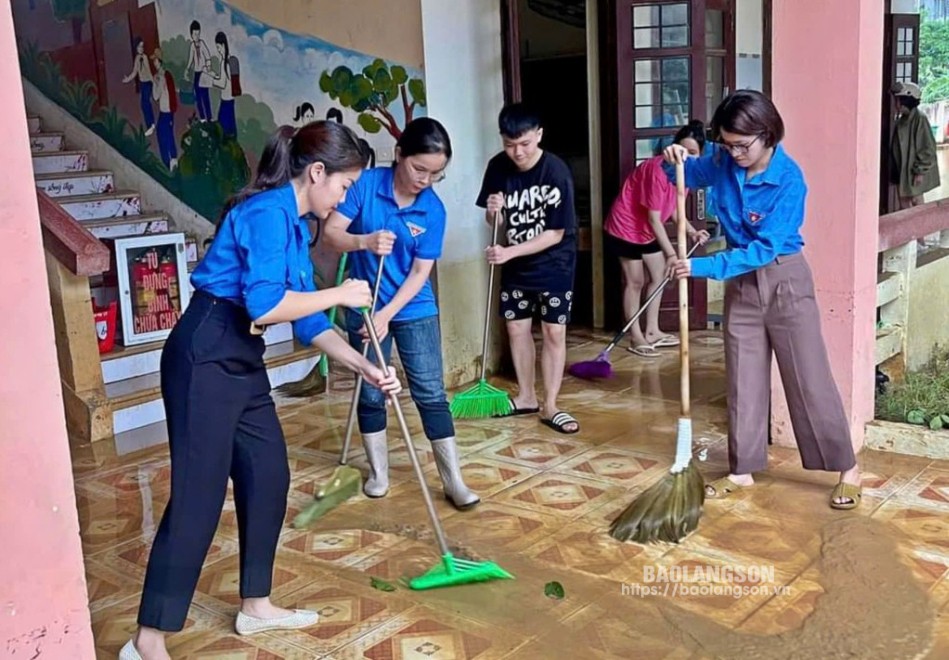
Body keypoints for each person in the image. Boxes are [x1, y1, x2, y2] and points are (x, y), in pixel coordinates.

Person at [121, 121, 401, 660]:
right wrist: (340, 292)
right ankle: (147, 639)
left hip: (241, 361)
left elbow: (303, 321)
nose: (345, 197)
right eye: (344, 186)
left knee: (268, 473)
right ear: (316, 173)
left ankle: (256, 605)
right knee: (199, 498)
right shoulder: (267, 214)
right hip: (204, 354)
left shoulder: (295, 224)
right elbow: (266, 306)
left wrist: (361, 363)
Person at [662, 90, 862, 510]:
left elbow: (766, 248)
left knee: (809, 377)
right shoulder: (720, 162)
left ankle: (847, 468)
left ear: (767, 135)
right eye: (726, 143)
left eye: (742, 145)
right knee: (743, 378)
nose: (733, 153)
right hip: (742, 284)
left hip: (784, 279)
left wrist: (698, 268)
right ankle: (742, 469)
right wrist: (673, 158)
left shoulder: (790, 180)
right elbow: (676, 175)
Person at [323, 117, 480, 510]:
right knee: (372, 389)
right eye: (419, 169)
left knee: (429, 391)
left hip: (413, 306)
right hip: (363, 299)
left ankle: (454, 481)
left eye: (436, 174)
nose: (425, 180)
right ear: (399, 155)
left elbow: (420, 272)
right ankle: (378, 473)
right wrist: (365, 240)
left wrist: (388, 313)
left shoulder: (433, 210)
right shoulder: (365, 186)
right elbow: (331, 234)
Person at [476, 103, 579, 435]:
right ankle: (526, 397)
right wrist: (494, 212)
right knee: (517, 330)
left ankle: (550, 405)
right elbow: (497, 223)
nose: (517, 152)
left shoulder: (556, 171)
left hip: (555, 264)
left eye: (524, 143)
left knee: (553, 331)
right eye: (509, 144)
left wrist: (509, 252)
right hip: (515, 265)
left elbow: (555, 233)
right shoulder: (497, 167)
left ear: (538, 135)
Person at [604, 120, 710, 357]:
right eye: (682, 150)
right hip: (625, 228)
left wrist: (692, 231)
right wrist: (672, 254)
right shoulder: (657, 170)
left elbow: (673, 208)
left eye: (692, 153)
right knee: (636, 281)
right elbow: (654, 218)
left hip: (646, 230)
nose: (685, 156)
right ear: (673, 148)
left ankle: (652, 330)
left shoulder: (686, 173)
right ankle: (636, 337)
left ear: (701, 154)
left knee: (660, 273)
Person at [890, 81, 939, 211]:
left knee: (916, 202)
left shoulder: (920, 119)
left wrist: (920, 171)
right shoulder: (902, 120)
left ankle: (920, 230)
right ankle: (910, 231)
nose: (896, 104)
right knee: (904, 204)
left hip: (913, 170)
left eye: (898, 100)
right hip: (903, 170)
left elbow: (927, 148)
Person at [122, 37, 155, 137]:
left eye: (142, 46)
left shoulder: (144, 57)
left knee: (145, 104)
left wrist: (154, 83)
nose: (141, 48)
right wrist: (127, 79)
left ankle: (151, 125)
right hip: (143, 84)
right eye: (139, 46)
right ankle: (151, 124)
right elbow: (135, 72)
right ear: (136, 47)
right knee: (145, 104)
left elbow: (148, 72)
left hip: (147, 83)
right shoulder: (137, 58)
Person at [185, 20, 213, 123]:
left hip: (203, 73)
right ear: (191, 35)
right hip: (197, 74)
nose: (196, 36)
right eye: (194, 34)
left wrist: (208, 67)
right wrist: (187, 69)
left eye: (198, 33)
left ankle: (209, 117)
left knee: (205, 96)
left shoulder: (202, 44)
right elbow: (190, 59)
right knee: (198, 96)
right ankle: (202, 118)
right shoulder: (192, 46)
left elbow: (208, 56)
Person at [212, 31, 237, 138]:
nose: (218, 50)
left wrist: (212, 80)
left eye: (218, 47)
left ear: (223, 45)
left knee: (222, 128)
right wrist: (216, 76)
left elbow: (222, 84)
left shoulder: (224, 61)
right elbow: (227, 79)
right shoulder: (231, 59)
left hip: (225, 100)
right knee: (231, 126)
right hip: (231, 99)